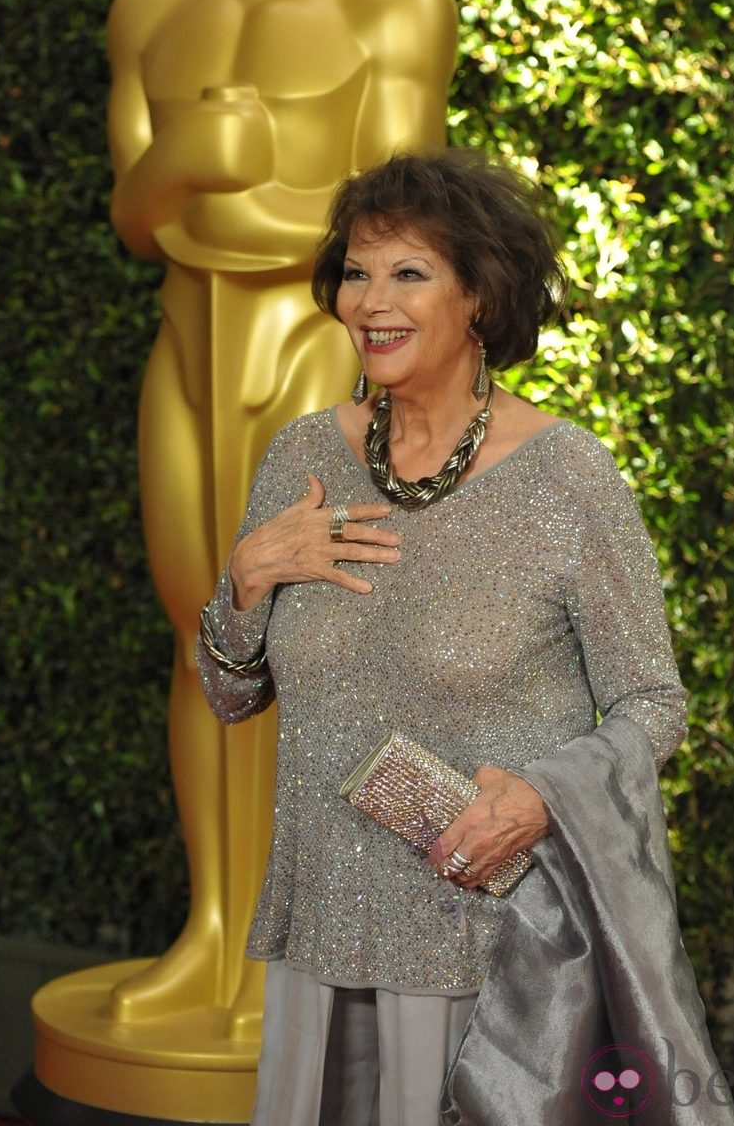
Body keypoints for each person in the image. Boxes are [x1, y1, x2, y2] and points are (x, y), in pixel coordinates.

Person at [196, 150, 690, 1125]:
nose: (369, 300)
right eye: (356, 270)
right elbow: (230, 693)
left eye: (407, 272)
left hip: (487, 950)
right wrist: (245, 579)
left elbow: (652, 703)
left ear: (479, 297)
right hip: (319, 935)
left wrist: (542, 797)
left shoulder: (564, 476)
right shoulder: (300, 455)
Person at [106, 0, 455, 1032]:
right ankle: (212, 938)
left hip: (322, 354)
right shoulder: (156, 5)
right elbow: (141, 214)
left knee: (318, 647)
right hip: (189, 352)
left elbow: (393, 230)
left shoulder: (393, 1)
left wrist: (221, 204)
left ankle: (303, 954)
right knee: (204, 637)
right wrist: (195, 168)